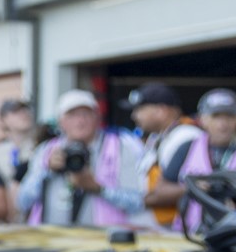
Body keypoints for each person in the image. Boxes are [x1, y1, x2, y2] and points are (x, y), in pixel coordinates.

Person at [18, 89, 144, 226]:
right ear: (61, 121)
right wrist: (46, 170)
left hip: (103, 239)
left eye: (86, 114)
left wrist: (98, 188)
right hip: (51, 238)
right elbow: (22, 202)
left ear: (97, 118)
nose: (80, 121)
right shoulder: (46, 150)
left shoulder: (120, 147)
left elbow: (137, 203)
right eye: (72, 115)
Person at [161, 88, 236, 230]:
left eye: (229, 116)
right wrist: (193, 188)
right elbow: (158, 192)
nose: (223, 124)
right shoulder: (188, 147)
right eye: (216, 116)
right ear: (202, 119)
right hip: (192, 234)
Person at [127, 81, 202, 229]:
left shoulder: (186, 136)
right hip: (155, 227)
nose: (134, 116)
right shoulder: (158, 136)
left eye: (140, 109)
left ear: (161, 110)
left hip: (174, 228)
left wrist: (130, 200)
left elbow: (191, 187)